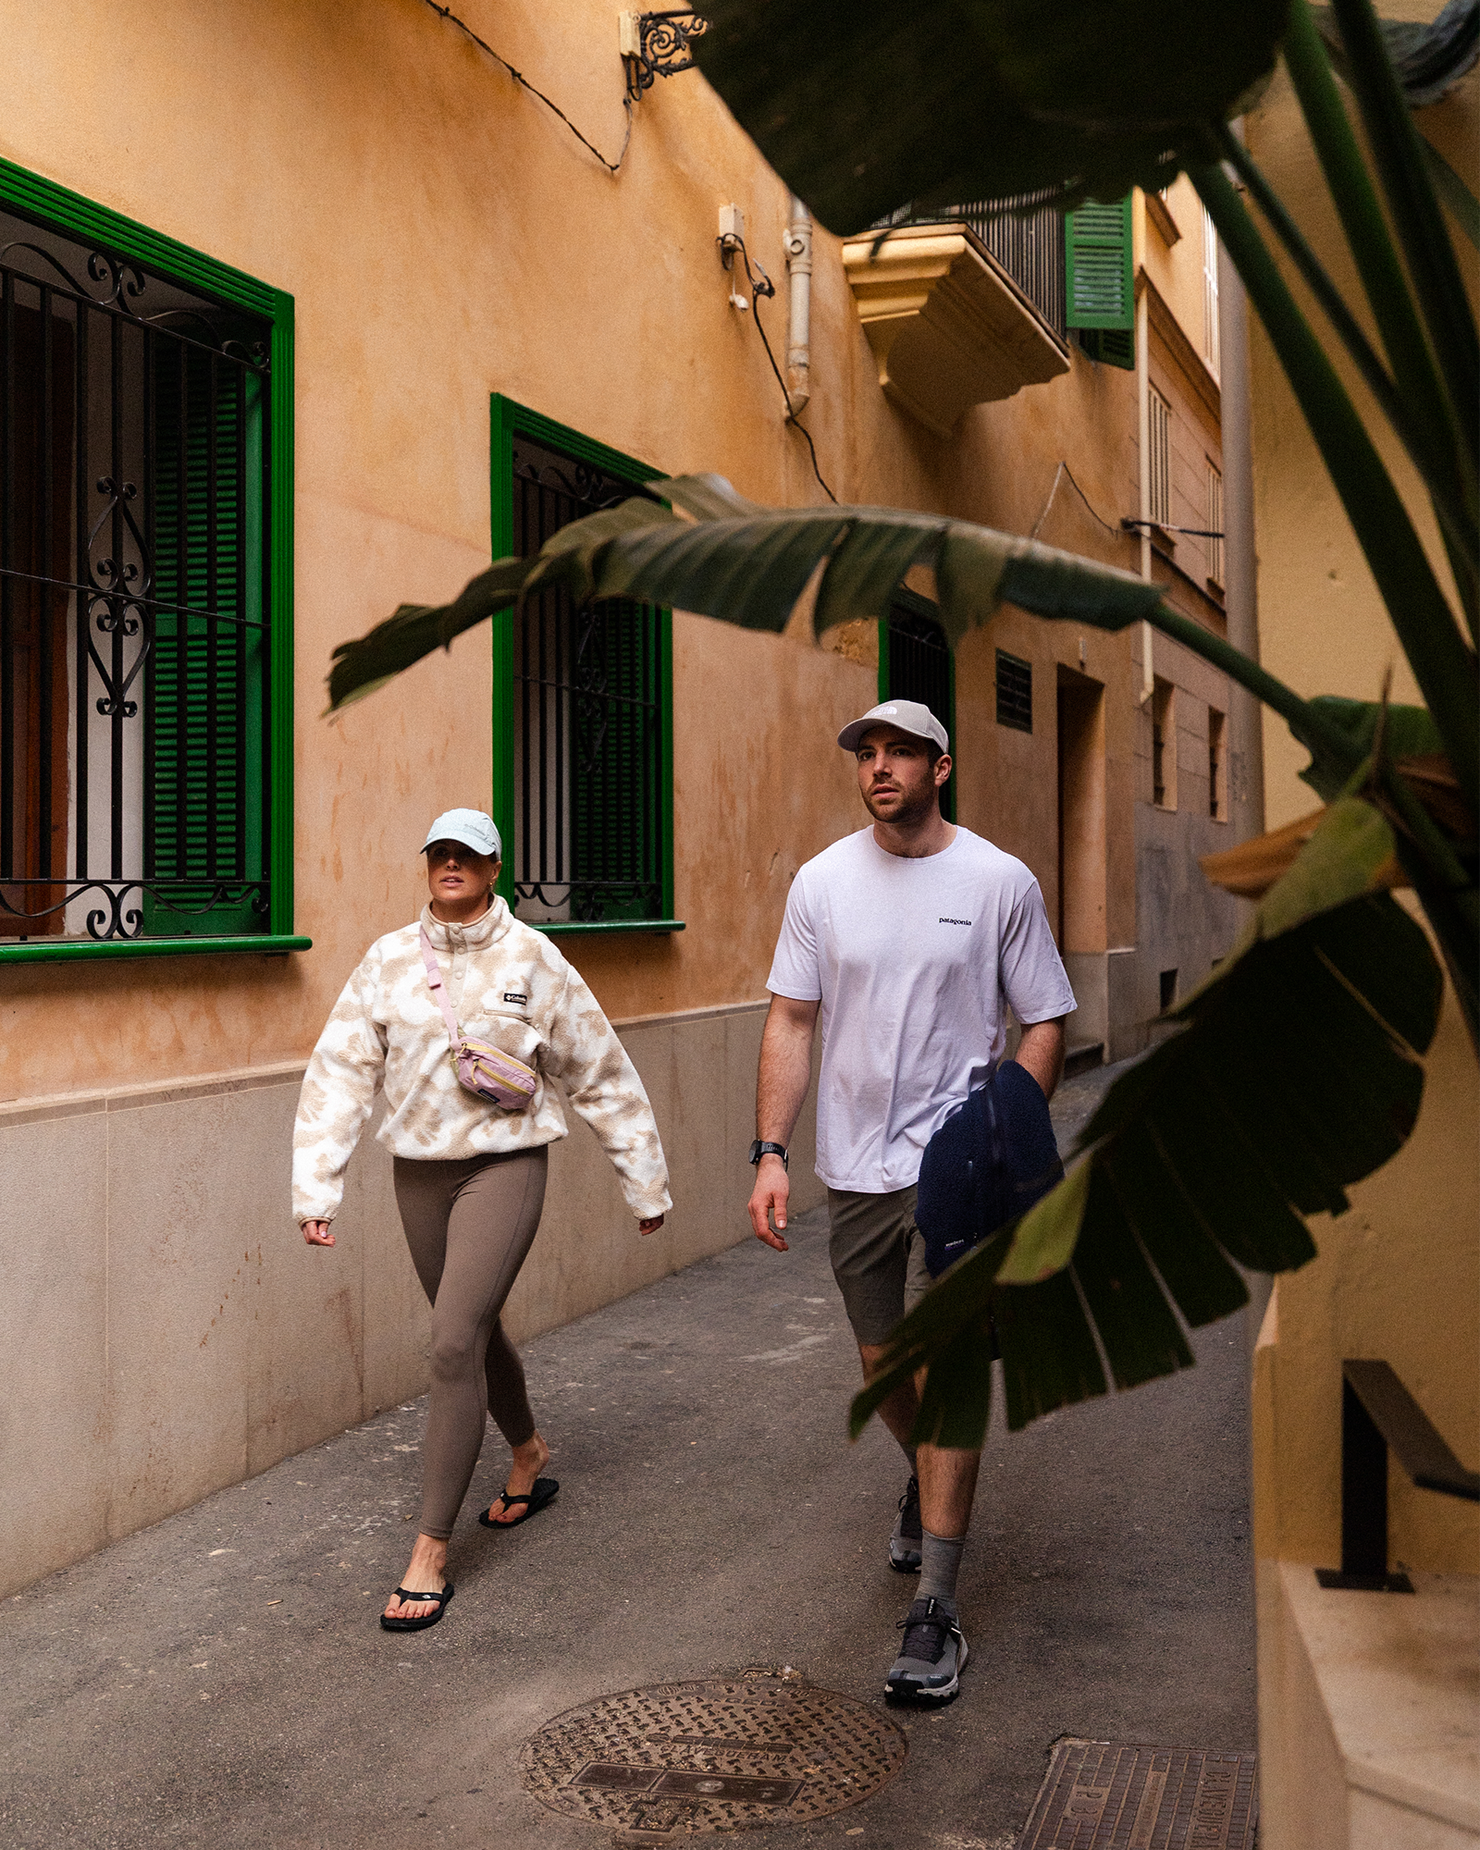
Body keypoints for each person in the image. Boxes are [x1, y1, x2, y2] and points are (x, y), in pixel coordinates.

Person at [747, 701, 1074, 1703]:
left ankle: (935, 1603)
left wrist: (1000, 1129)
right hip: (854, 1172)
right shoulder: (822, 881)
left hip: (957, 1175)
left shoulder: (996, 880)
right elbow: (791, 1019)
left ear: (942, 764)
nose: (877, 766)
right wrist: (770, 1150)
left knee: (950, 1372)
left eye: (897, 751)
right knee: (882, 1367)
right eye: (865, 752)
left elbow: (1046, 1018)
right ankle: (920, 1471)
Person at [293, 807, 671, 1632]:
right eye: (441, 853)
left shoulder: (534, 959)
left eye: (470, 854)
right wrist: (317, 1186)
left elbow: (599, 1068)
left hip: (505, 1166)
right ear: (427, 864)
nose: (453, 864)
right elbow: (341, 1073)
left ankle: (430, 1550)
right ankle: (528, 1452)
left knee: (451, 1341)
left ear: (496, 868)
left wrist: (643, 1179)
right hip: (418, 1175)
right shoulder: (388, 960)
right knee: (473, 1328)